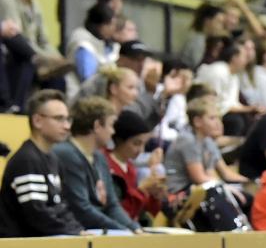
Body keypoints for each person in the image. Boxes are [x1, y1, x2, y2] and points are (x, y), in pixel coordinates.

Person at [0, 90, 84, 237]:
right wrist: (74, 233)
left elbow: (61, 206)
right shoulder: (27, 159)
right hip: (22, 247)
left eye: (68, 119)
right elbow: (36, 214)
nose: (67, 126)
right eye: (59, 119)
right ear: (37, 121)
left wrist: (79, 230)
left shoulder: (53, 158)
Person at [53, 97, 141, 232]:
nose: (113, 132)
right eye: (111, 125)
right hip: (78, 232)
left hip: (97, 230)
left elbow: (112, 205)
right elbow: (81, 209)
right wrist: (123, 231)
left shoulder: (99, 156)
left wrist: (134, 228)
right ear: (97, 126)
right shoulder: (66, 154)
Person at [104, 110, 165, 223]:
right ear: (119, 140)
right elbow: (120, 211)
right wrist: (142, 189)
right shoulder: (106, 165)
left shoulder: (130, 168)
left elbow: (146, 211)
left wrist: (155, 195)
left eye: (144, 144)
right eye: (136, 143)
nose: (141, 150)